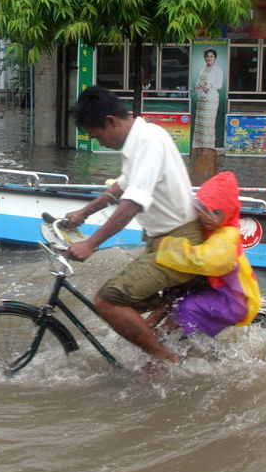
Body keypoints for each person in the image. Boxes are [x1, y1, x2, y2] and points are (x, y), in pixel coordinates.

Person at [62, 86, 204, 365]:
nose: (99, 142)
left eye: (97, 135)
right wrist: (84, 213)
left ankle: (166, 361)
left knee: (107, 301)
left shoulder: (149, 140)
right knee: (133, 310)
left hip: (180, 242)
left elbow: (133, 201)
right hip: (163, 241)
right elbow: (122, 187)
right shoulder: (138, 143)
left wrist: (91, 243)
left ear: (111, 122)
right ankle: (161, 342)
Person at [151, 171, 261, 337]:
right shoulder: (217, 227)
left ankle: (160, 346)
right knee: (179, 302)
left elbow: (202, 260)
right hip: (223, 293)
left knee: (186, 307)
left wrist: (167, 247)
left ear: (229, 210)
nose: (208, 217)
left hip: (235, 302)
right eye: (203, 209)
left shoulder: (227, 236)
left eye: (216, 212)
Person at [192, 48, 224, 149]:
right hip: (201, 98)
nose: (209, 58)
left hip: (211, 99)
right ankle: (198, 147)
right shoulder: (202, 69)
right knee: (200, 124)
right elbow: (198, 81)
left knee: (208, 125)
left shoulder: (217, 69)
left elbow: (219, 85)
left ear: (215, 58)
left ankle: (208, 148)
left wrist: (208, 85)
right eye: (207, 56)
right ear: (204, 58)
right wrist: (199, 86)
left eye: (211, 56)